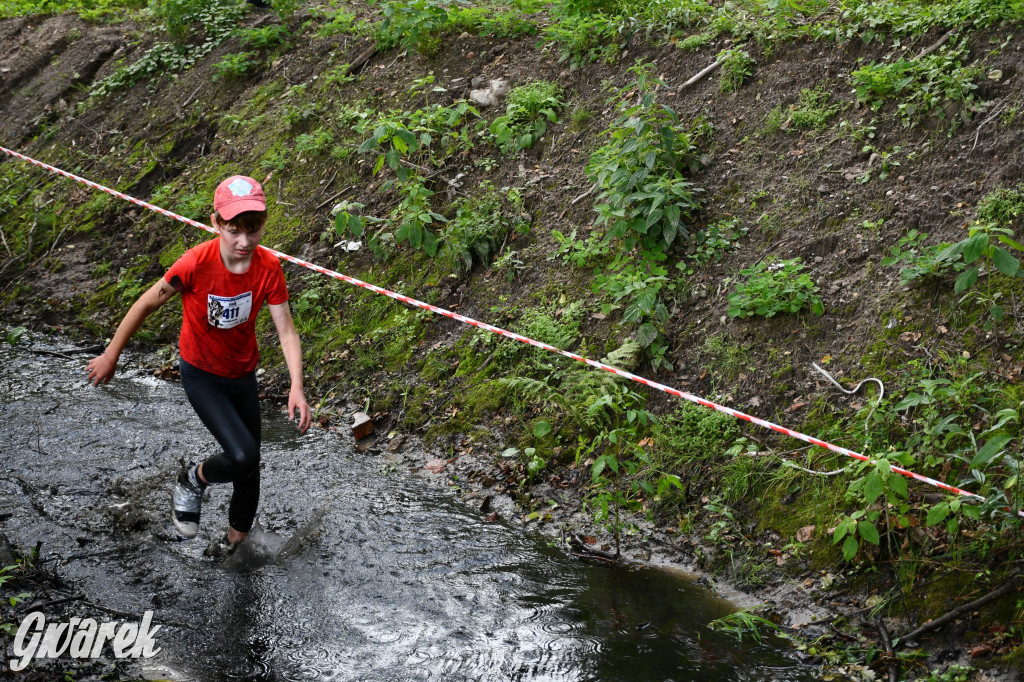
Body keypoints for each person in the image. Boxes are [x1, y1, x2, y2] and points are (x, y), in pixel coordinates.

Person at [86, 175, 311, 548]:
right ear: (216, 223)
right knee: (243, 454)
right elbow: (145, 304)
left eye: (253, 231)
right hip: (202, 374)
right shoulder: (194, 263)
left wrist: (296, 386)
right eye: (234, 231)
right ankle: (193, 479)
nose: (244, 241)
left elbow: (286, 330)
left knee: (249, 468)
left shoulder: (268, 267)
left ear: (264, 224)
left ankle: (234, 548)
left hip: (242, 374)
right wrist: (112, 355)